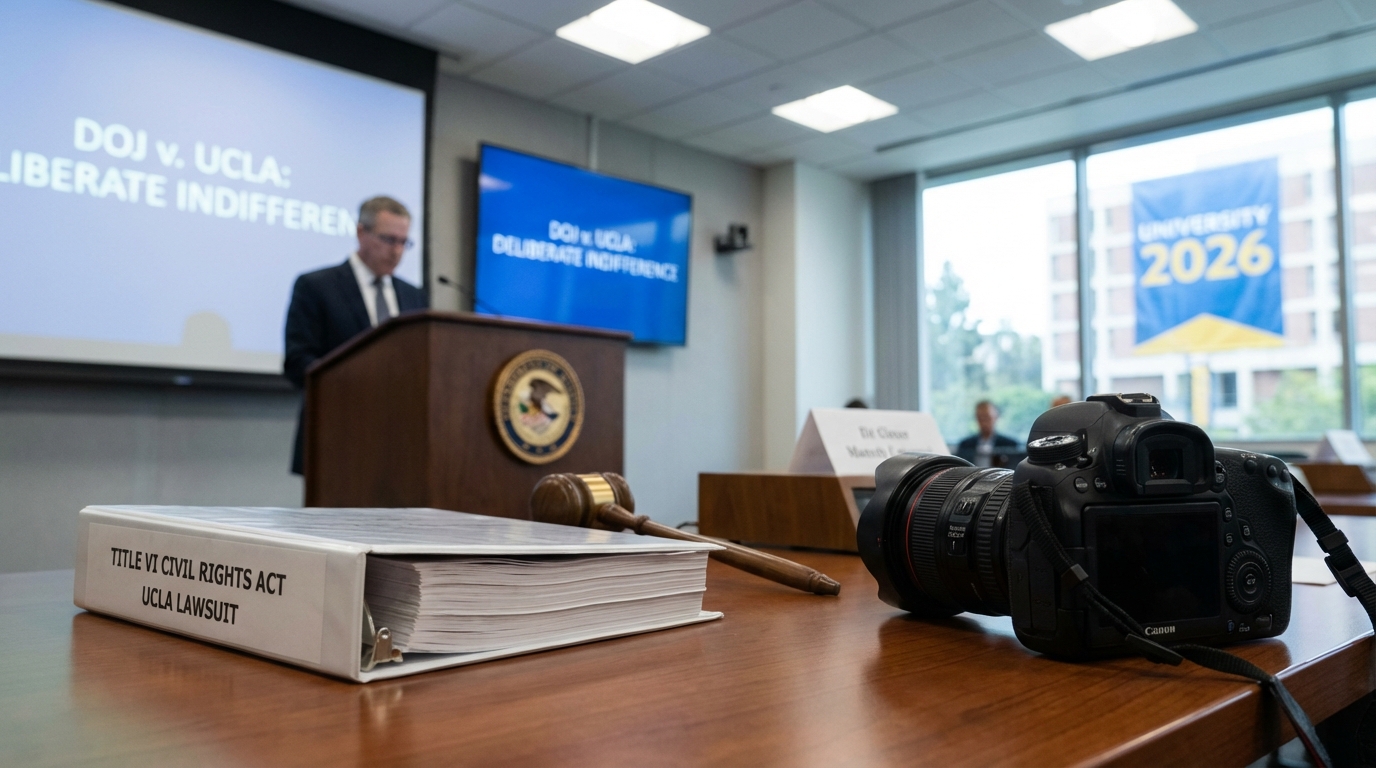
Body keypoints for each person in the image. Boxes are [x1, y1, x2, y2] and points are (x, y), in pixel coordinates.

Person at [283, 195, 428, 474]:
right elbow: (298, 361)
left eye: (404, 242)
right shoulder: (316, 287)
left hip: (402, 443)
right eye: (388, 240)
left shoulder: (414, 297)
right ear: (361, 232)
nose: (397, 251)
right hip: (336, 438)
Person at [954, 400, 1020, 468]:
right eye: (980, 418)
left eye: (987, 417)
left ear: (996, 417)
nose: (984, 422)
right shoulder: (965, 445)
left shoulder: (1010, 445)